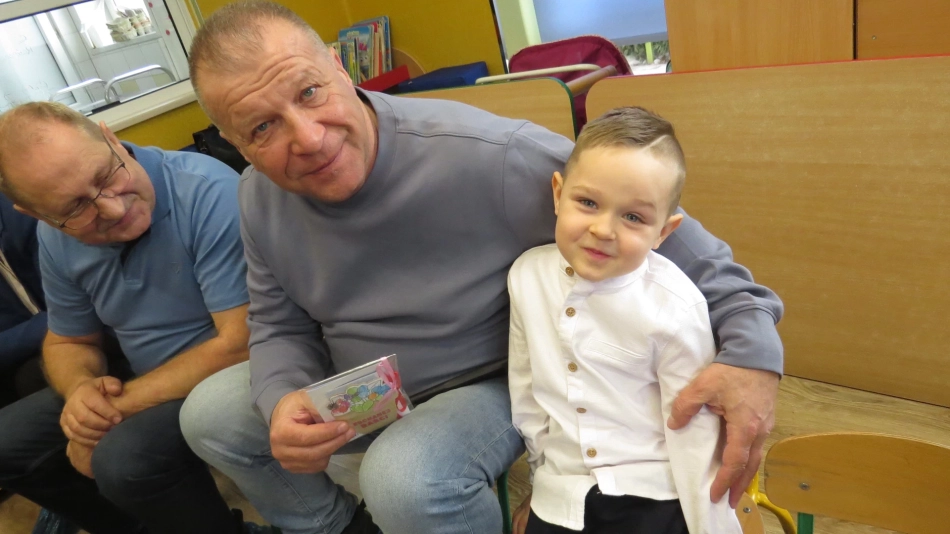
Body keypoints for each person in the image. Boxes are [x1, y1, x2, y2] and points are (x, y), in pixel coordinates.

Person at [180, 3, 783, 534]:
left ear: (340, 68)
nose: (308, 138)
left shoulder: (493, 158)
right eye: (262, 127)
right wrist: (281, 398)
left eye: (310, 92)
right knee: (208, 416)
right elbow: (278, 324)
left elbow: (691, 253)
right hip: (360, 380)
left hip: (485, 380)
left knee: (405, 477)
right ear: (233, 142)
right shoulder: (257, 197)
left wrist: (754, 358)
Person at [0, 102, 267, 534]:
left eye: (106, 176)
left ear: (110, 137)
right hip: (141, 370)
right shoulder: (53, 235)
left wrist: (108, 416)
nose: (112, 209)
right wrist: (80, 390)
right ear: (36, 215)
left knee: (124, 461)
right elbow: (68, 339)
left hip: (228, 372)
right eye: (76, 208)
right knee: (7, 443)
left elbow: (240, 343)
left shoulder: (205, 191)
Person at [508, 107, 741, 534]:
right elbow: (527, 391)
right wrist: (541, 484)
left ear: (664, 232)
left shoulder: (675, 307)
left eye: (633, 217)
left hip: (653, 493)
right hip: (562, 492)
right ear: (558, 194)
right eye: (588, 203)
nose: (603, 229)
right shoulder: (526, 276)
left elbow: (697, 436)